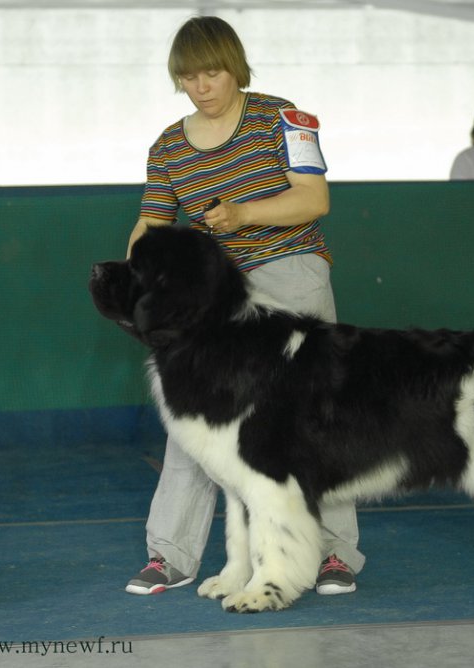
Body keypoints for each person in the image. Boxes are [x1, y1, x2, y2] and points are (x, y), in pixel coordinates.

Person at [124, 16, 364, 598]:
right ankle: (172, 554)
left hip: (290, 271)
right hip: (211, 298)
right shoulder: (168, 146)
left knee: (314, 415)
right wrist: (137, 279)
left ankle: (334, 553)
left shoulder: (281, 119)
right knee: (192, 420)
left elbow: (315, 199)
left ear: (236, 67)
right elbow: (152, 224)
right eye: (189, 77)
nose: (201, 86)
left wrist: (242, 214)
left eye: (212, 73)